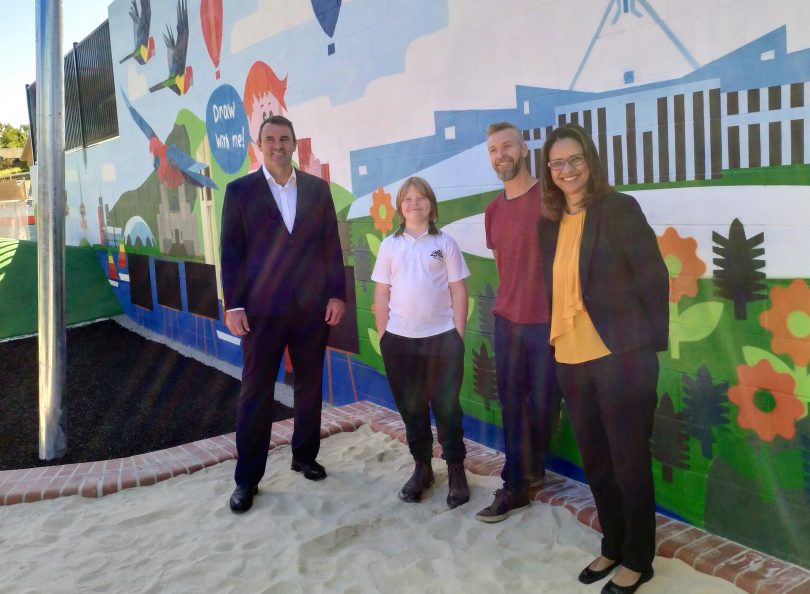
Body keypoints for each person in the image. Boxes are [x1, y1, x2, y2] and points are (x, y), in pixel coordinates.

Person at [538, 124, 668, 594]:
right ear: (548, 171)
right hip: (570, 357)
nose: (567, 170)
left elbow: (653, 274)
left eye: (575, 160)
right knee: (595, 457)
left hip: (621, 356)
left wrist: (648, 346)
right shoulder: (548, 221)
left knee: (629, 458)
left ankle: (639, 558)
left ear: (590, 161)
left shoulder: (618, 208)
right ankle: (613, 543)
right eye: (557, 163)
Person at [220, 115, 346, 513]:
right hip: (261, 313)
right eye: (270, 139)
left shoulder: (317, 190)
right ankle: (247, 479)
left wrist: (337, 295)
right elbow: (231, 252)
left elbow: (331, 247)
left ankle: (304, 455)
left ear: (295, 145)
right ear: (260, 145)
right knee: (255, 394)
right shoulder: (239, 191)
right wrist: (233, 305)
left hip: (311, 309)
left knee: (310, 385)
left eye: (284, 139)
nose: (277, 145)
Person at [475, 122, 560, 523]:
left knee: (544, 403)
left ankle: (533, 463)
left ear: (523, 149)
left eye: (506, 146)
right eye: (493, 150)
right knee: (511, 405)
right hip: (507, 322)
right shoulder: (493, 210)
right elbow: (503, 265)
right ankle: (514, 486)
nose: (500, 155)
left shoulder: (550, 197)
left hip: (548, 322)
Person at [372, 176, 471, 509]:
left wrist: (457, 333)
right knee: (412, 410)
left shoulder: (445, 244)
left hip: (442, 341)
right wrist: (385, 336)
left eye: (421, 198)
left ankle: (456, 469)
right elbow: (382, 292)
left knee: (447, 409)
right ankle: (423, 467)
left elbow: (458, 289)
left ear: (431, 204)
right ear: (400, 207)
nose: (414, 203)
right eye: (407, 199)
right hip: (400, 343)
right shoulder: (390, 246)